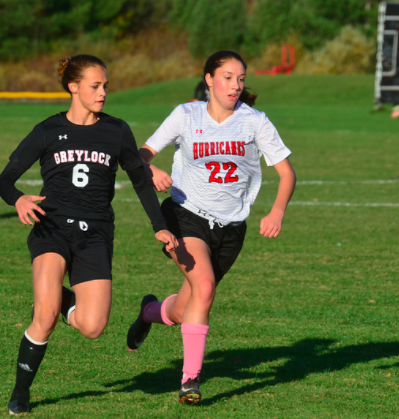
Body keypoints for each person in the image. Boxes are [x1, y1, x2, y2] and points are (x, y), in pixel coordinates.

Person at [0, 54, 178, 415]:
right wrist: (17, 200)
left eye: (105, 86)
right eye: (95, 86)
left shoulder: (117, 130)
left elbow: (140, 180)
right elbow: (5, 179)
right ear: (73, 87)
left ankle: (57, 300)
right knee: (43, 317)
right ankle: (20, 392)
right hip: (51, 228)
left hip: (95, 234)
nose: (103, 93)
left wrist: (160, 226)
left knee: (93, 327)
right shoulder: (48, 129)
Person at [125, 50, 296, 405]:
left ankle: (149, 312)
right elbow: (141, 154)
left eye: (241, 79)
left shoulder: (254, 121)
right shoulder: (186, 115)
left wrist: (277, 211)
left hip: (231, 228)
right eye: (228, 77)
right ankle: (190, 381)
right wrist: (151, 169)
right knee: (204, 288)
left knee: (187, 305)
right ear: (209, 79)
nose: (235, 85)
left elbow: (286, 172)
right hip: (184, 214)